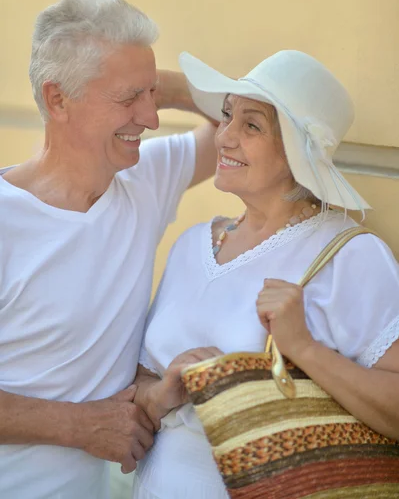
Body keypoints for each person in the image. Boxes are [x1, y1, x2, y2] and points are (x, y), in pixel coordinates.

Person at [132, 50, 399, 499]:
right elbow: (142, 381)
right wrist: (163, 395)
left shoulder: (350, 256)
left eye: (251, 125)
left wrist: (304, 350)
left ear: (297, 154)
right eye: (226, 115)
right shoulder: (192, 243)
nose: (224, 137)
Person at [0, 0, 218, 499]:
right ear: (58, 99)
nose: (152, 117)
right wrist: (77, 426)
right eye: (128, 99)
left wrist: (149, 82)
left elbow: (236, 118)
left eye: (151, 95)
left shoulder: (145, 178)